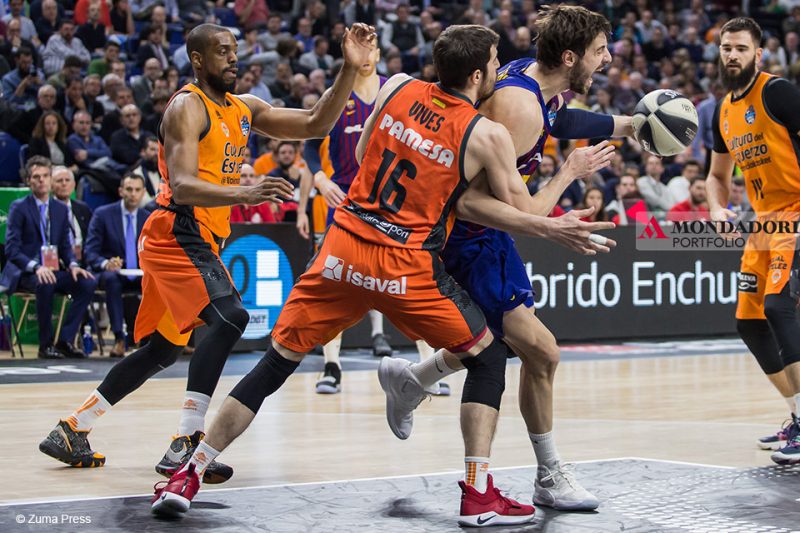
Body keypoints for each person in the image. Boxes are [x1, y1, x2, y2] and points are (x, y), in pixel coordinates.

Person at [151, 24, 613, 525]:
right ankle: (478, 492)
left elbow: (367, 151)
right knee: (487, 357)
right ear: (478, 74)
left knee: (273, 365)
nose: (501, 73)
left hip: (343, 247)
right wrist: (567, 178)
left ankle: (189, 473)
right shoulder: (488, 133)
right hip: (405, 263)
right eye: (496, 64)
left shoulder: (395, 86)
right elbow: (524, 212)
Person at [38, 22, 373, 481]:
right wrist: (244, 195)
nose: (233, 59)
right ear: (198, 60)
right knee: (231, 316)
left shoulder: (243, 108)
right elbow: (181, 184)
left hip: (197, 235)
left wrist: (349, 69)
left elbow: (317, 122)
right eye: (222, 51)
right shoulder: (186, 108)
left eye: (235, 50)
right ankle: (188, 440)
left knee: (162, 349)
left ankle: (74, 427)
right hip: (177, 229)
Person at [381, 5, 625, 512]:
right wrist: (568, 174)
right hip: (471, 239)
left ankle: (412, 381)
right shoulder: (520, 108)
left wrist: (630, 125)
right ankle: (546, 476)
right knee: (540, 352)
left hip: (485, 238)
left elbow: (562, 117)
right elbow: (468, 198)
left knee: (498, 345)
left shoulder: (527, 77)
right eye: (600, 52)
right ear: (570, 55)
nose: (607, 60)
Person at [300, 41, 440, 395]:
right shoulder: (337, 94)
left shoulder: (396, 91)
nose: (366, 55)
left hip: (390, 204)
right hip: (345, 200)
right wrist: (319, 178)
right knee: (334, 284)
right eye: (359, 49)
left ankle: (426, 366)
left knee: (408, 283)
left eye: (372, 48)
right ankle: (331, 366)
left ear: (378, 55)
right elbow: (308, 143)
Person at [706, 17, 800, 464]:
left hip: (797, 214)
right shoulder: (723, 111)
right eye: (726, 48)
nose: (731, 55)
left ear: (758, 53)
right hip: (763, 224)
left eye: (740, 48)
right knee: (749, 321)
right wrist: (717, 207)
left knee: (780, 306)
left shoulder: (778, 92)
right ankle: (797, 416)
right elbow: (716, 177)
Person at [0, 156, 96, 359]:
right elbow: (12, 250)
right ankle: (45, 345)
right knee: (45, 283)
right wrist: (36, 267)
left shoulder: (60, 209)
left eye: (45, 176)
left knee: (87, 282)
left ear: (50, 179)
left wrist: (72, 264)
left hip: (53, 269)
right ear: (29, 181)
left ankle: (65, 340)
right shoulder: (20, 207)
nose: (41, 180)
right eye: (36, 177)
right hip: (26, 272)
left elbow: (65, 246)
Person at [84, 173, 150, 357]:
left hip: (140, 273)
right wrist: (105, 263)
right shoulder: (103, 214)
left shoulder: (149, 217)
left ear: (144, 192)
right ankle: (120, 338)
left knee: (159, 281)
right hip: (112, 274)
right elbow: (90, 252)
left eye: (137, 190)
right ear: (121, 191)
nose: (133, 194)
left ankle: (150, 337)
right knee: (112, 280)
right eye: (129, 189)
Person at [51, 166, 93, 266]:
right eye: (59, 181)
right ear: (51, 185)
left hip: (83, 262)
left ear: (74, 185)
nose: (64, 184)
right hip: (57, 263)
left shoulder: (83, 208)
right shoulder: (47, 209)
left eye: (67, 180)